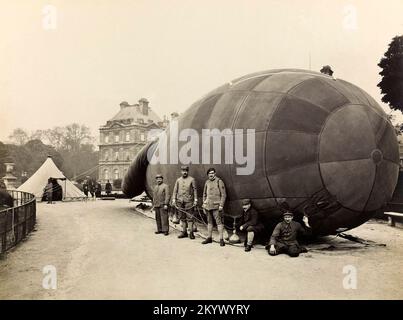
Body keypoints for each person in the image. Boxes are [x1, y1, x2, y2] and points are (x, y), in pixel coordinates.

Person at [201, 168, 227, 247]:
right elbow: (204, 194)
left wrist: (221, 205)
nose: (211, 175)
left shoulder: (219, 181)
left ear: (215, 173)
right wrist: (204, 204)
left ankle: (221, 239)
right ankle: (209, 238)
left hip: (216, 206)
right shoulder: (207, 182)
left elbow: (223, 195)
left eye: (212, 173)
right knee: (209, 222)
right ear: (208, 175)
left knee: (219, 223)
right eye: (209, 173)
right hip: (208, 206)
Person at [172, 165, 198, 239]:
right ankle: (184, 232)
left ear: (188, 171)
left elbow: (195, 190)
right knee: (182, 217)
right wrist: (174, 199)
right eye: (183, 171)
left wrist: (195, 200)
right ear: (181, 171)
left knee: (190, 217)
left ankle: (191, 233)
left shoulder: (192, 180)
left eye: (186, 171)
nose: (184, 172)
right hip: (180, 201)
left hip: (189, 201)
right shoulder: (178, 180)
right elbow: (175, 190)